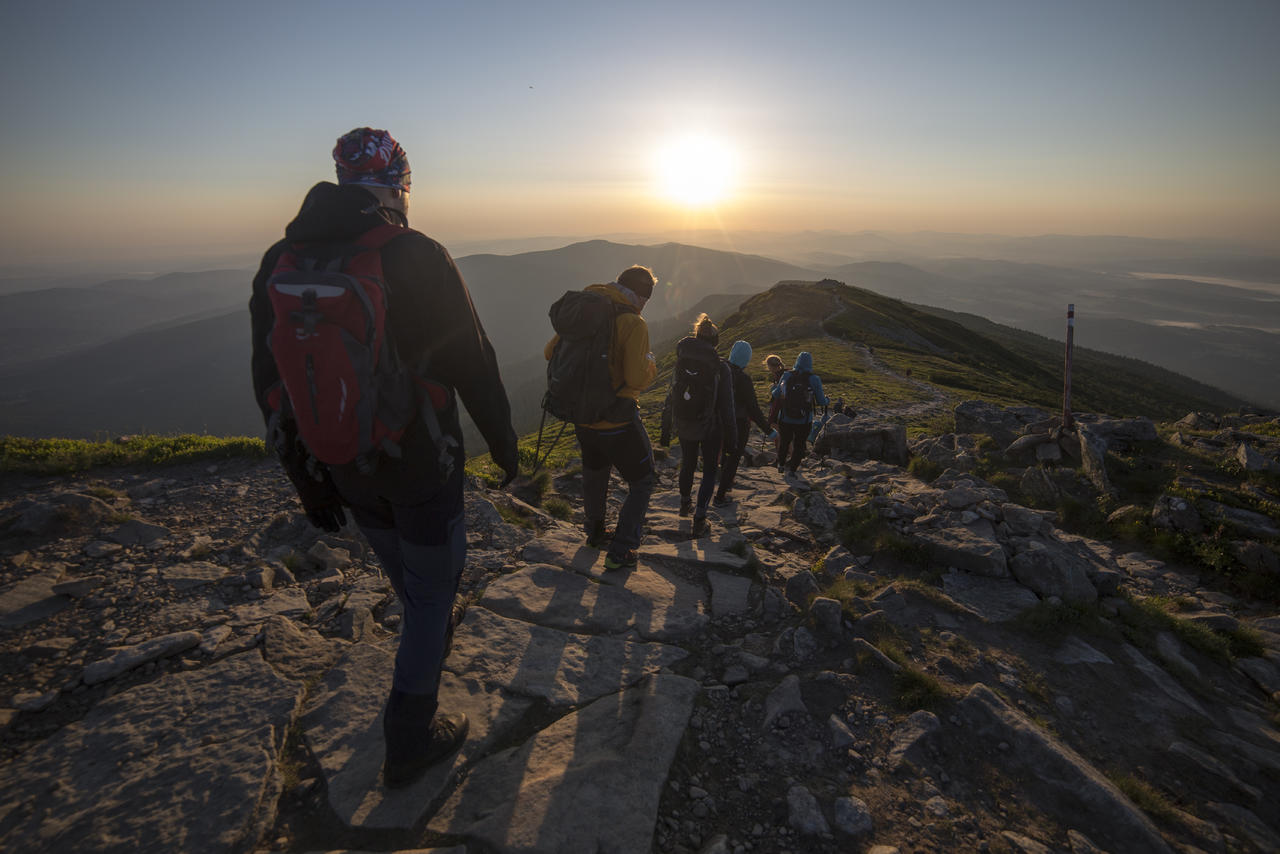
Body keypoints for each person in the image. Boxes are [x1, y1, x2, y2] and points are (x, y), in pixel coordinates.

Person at [250, 128, 519, 789]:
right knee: (434, 587)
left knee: (410, 575)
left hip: (338, 457)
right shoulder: (416, 253)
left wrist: (306, 479)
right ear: (399, 186)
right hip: (422, 457)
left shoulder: (282, 259)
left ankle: (424, 640)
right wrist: (506, 445)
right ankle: (410, 733)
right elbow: (473, 359)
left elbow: (269, 381)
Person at [544, 265, 658, 570]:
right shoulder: (633, 322)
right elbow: (635, 377)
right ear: (640, 295)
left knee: (595, 472)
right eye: (646, 298)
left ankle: (594, 533)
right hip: (617, 420)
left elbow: (548, 353)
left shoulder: (588, 311)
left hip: (582, 418)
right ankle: (621, 550)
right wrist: (651, 367)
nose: (644, 305)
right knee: (644, 481)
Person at [660, 314, 736, 537]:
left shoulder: (681, 362)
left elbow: (670, 395)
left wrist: (666, 429)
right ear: (716, 342)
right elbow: (727, 406)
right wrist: (732, 438)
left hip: (684, 422)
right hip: (710, 426)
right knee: (710, 470)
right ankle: (700, 518)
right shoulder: (721, 368)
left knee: (688, 463)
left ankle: (685, 504)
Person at [714, 340, 774, 504]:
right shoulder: (744, 379)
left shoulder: (719, 369)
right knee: (734, 457)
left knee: (725, 453)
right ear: (746, 359)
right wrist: (770, 431)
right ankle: (720, 496)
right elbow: (753, 409)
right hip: (739, 423)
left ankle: (725, 484)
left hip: (719, 420)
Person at [771, 350, 829, 475]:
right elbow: (821, 401)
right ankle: (793, 469)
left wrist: (774, 390)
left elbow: (776, 394)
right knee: (799, 444)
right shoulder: (814, 379)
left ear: (797, 361)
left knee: (785, 442)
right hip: (804, 419)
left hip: (785, 417)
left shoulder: (787, 375)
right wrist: (827, 400)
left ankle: (781, 465)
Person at [763, 354, 786, 455]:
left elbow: (778, 394)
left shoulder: (779, 376)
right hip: (785, 408)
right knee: (781, 432)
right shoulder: (784, 374)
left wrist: (773, 391)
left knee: (777, 431)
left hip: (779, 408)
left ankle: (780, 455)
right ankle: (783, 455)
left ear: (771, 366)